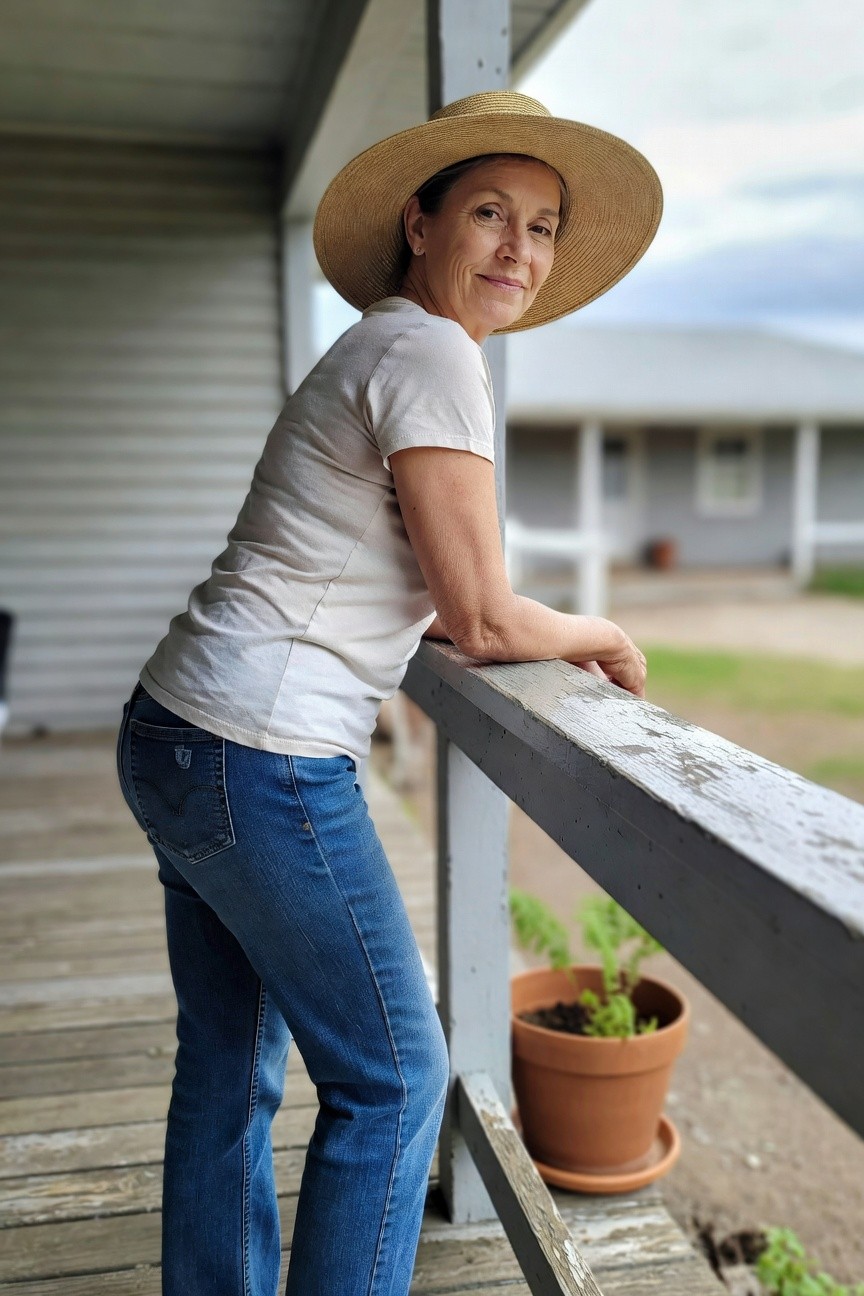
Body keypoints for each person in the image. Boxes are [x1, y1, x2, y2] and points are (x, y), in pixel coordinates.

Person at [115, 89, 660, 1296]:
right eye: (488, 213)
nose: (519, 248)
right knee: (398, 1079)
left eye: (544, 225)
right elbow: (479, 616)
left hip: (176, 725)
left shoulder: (374, 342)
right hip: (259, 754)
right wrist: (604, 632)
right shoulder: (429, 351)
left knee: (230, 1059)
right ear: (421, 223)